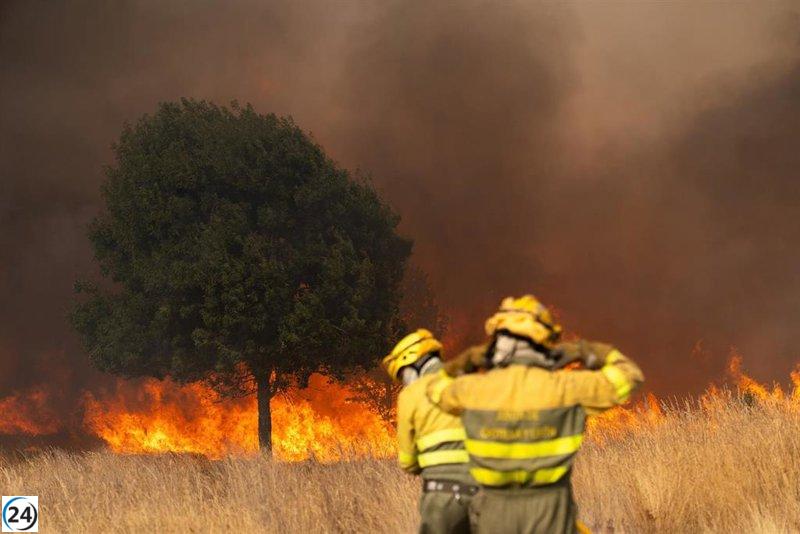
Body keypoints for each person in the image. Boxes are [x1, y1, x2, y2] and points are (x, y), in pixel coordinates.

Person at [427, 295, 644, 534]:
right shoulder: (567, 388)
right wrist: (585, 351)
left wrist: (469, 359)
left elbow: (434, 388)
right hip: (550, 514)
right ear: (545, 342)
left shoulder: (474, 390)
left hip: (494, 515)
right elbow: (629, 375)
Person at [383, 329, 478, 534]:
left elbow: (408, 462)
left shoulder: (411, 395)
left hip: (442, 496)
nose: (404, 383)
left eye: (403, 375)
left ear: (413, 363)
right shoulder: (469, 382)